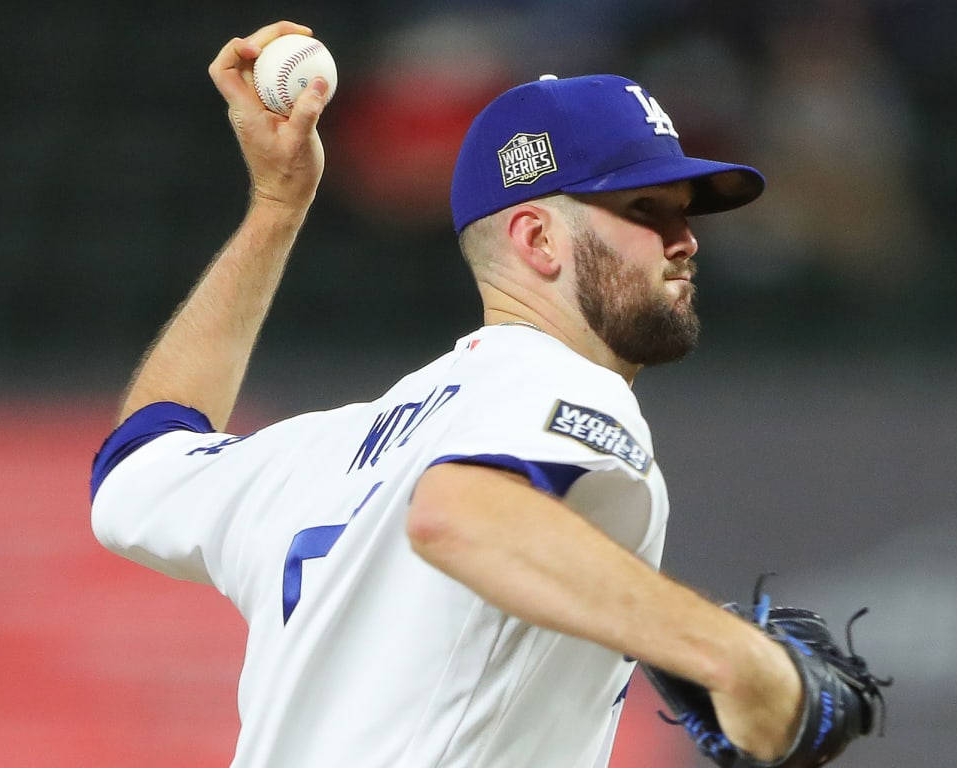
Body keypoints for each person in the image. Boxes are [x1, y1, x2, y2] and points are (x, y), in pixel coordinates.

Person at [90, 20, 804, 768]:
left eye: (684, 211)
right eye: (644, 211)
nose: (684, 238)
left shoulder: (322, 451)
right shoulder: (558, 382)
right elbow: (457, 514)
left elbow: (136, 461)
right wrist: (732, 658)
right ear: (537, 240)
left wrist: (275, 208)